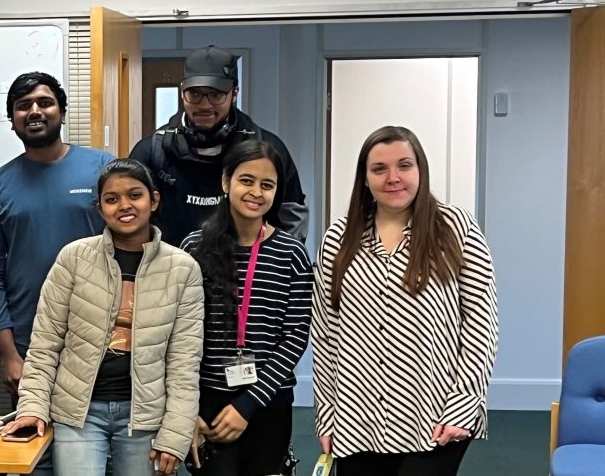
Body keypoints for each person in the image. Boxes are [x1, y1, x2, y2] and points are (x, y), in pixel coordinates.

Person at [312, 126, 499, 475]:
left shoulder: (456, 228)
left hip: (434, 414)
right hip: (357, 418)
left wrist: (463, 403)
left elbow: (481, 324)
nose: (393, 178)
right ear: (365, 178)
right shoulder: (339, 236)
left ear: (420, 170)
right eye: (379, 169)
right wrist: (327, 413)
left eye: (404, 165)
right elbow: (325, 335)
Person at [2, 158, 204, 476]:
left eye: (134, 195)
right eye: (112, 199)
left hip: (145, 416)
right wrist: (32, 407)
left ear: (154, 200)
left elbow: (184, 362)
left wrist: (175, 434)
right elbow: (44, 345)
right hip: (77, 414)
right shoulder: (74, 258)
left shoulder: (183, 269)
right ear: (100, 209)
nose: (124, 206)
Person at [0, 72, 115, 407]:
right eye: (23, 105)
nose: (34, 111)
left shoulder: (104, 169)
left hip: (102, 339)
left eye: (45, 102)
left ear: (62, 113)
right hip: (30, 345)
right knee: (36, 439)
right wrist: (8, 353)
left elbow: (131, 248)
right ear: (12, 121)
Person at [179, 140, 313, 475]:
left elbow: (296, 335)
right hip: (207, 400)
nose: (256, 192)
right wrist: (187, 406)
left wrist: (248, 404)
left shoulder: (291, 254)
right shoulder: (194, 248)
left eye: (267, 185)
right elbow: (180, 335)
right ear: (226, 182)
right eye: (246, 180)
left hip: (268, 399)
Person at [129, 45, 307, 245]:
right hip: (170, 263)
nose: (205, 105)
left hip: (248, 263)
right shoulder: (152, 152)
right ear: (182, 92)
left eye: (216, 95)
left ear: (234, 93)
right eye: (195, 94)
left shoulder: (268, 150)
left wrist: (273, 259)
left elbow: (291, 219)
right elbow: (129, 219)